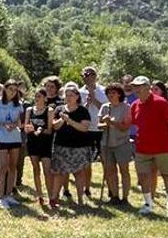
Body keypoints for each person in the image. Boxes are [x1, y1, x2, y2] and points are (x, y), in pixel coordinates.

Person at [130, 76, 168, 218]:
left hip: (163, 147)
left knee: (167, 176)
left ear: (147, 87)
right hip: (142, 148)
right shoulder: (134, 105)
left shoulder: (161, 102)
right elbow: (136, 125)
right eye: (135, 86)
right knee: (144, 176)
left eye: (139, 86)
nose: (136, 89)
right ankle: (148, 204)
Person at [49, 83, 91, 209]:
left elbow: (84, 128)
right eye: (66, 95)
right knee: (59, 173)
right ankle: (54, 198)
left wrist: (70, 121)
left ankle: (80, 199)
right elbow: (54, 126)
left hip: (79, 147)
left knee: (79, 173)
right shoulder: (59, 109)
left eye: (71, 95)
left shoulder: (83, 111)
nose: (68, 97)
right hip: (61, 146)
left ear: (77, 96)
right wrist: (62, 120)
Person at [0, 80, 24, 209]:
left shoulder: (18, 104)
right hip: (2, 138)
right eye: (10, 89)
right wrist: (3, 124)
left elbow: (19, 121)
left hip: (15, 137)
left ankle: (9, 194)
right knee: (3, 167)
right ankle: (1, 197)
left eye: (15, 90)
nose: (13, 92)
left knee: (13, 167)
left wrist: (14, 125)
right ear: (5, 89)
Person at [99, 83, 134, 205]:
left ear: (119, 94)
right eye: (108, 93)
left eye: (113, 93)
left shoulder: (126, 107)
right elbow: (99, 125)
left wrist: (113, 123)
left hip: (122, 143)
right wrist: (106, 124)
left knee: (124, 170)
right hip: (106, 144)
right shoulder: (105, 107)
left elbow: (125, 127)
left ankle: (125, 197)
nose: (110, 95)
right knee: (110, 171)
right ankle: (114, 196)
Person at [80, 67, 107, 199]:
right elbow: (79, 111)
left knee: (105, 159)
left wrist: (94, 98)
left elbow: (106, 108)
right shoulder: (79, 92)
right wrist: (86, 103)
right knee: (87, 160)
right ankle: (87, 188)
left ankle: (110, 188)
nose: (88, 77)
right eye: (85, 75)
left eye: (91, 75)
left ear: (96, 76)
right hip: (87, 130)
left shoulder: (103, 90)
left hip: (101, 129)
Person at [25, 88, 54, 207]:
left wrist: (40, 130)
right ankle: (40, 195)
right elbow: (26, 127)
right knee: (36, 169)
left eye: (39, 96)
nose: (37, 99)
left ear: (45, 98)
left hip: (45, 143)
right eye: (35, 96)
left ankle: (51, 196)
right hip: (32, 142)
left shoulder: (49, 110)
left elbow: (50, 130)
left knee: (47, 170)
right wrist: (29, 129)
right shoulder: (29, 110)